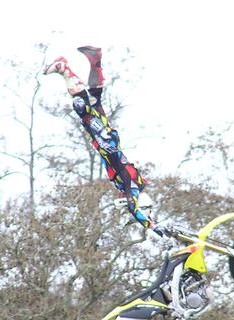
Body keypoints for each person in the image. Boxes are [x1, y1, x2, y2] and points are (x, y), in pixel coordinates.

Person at [43, 46, 164, 236]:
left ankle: (95, 60)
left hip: (107, 143)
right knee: (82, 106)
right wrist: (151, 226)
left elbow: (131, 206)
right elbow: (134, 207)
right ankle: (63, 67)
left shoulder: (133, 184)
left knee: (94, 100)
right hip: (107, 142)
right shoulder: (132, 185)